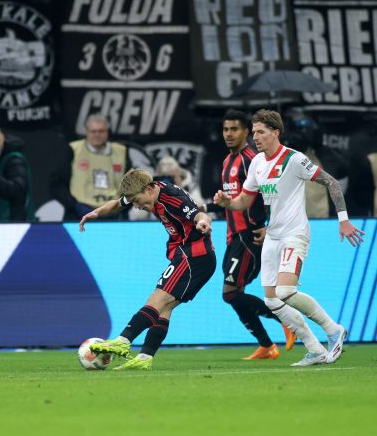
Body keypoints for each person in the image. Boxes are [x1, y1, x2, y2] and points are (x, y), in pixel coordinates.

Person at [214, 109, 365, 366]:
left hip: (294, 234)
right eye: (254, 132)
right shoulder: (258, 164)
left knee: (285, 291)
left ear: (275, 132)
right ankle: (315, 349)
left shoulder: (294, 159)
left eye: (261, 132)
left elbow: (332, 183)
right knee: (272, 300)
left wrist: (344, 220)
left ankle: (333, 329)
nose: (256, 137)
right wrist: (228, 202)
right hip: (272, 237)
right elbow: (243, 201)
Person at [79, 168, 216, 370]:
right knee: (164, 307)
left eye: (137, 200)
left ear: (150, 189)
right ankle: (145, 358)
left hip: (194, 256)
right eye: (133, 202)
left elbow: (198, 214)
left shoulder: (173, 198)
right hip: (190, 256)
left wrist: (204, 222)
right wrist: (96, 212)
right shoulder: (147, 191)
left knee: (156, 300)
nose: (137, 206)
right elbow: (117, 205)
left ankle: (124, 340)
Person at [201, 109, 294, 360]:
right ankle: (266, 346)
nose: (229, 134)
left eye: (235, 129)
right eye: (225, 129)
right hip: (233, 236)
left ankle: (286, 320)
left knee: (230, 293)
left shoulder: (251, 159)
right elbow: (233, 199)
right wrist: (206, 208)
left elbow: (270, 193)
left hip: (249, 235)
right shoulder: (227, 161)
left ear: (247, 133)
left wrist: (266, 225)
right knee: (233, 294)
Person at [49, 114, 129, 221]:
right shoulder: (73, 150)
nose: (97, 135)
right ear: (87, 132)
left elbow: (132, 185)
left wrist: (121, 206)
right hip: (79, 214)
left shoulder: (121, 152)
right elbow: (56, 184)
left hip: (112, 214)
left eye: (101, 131)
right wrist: (74, 206)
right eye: (93, 131)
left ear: (107, 132)